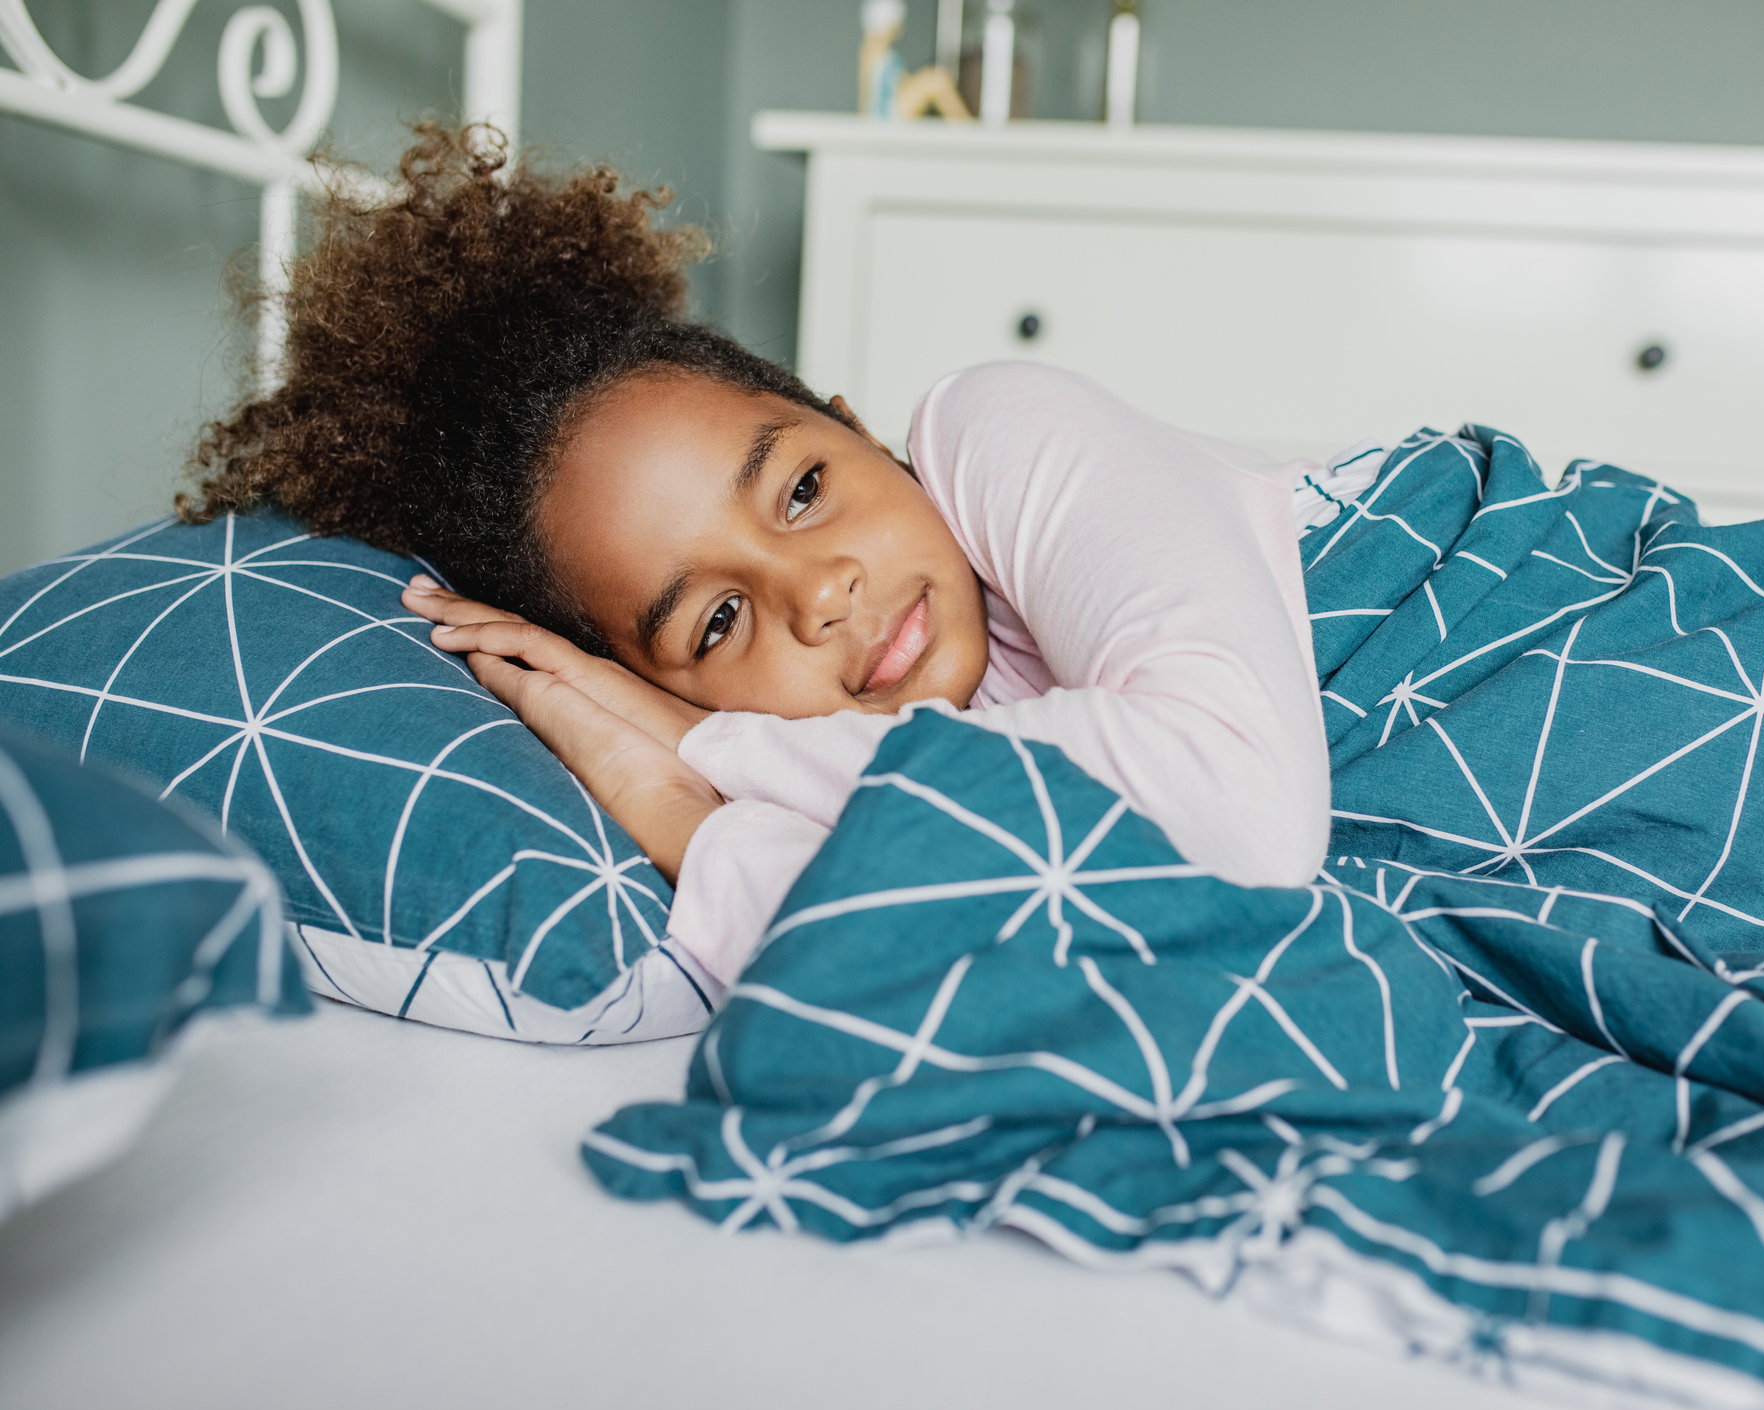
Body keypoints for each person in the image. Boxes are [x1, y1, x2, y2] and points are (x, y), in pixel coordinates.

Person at [182, 127, 1331, 1002]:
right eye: (716, 625)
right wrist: (684, 819)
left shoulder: (996, 427)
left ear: (858, 427)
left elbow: (1246, 817)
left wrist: (713, 749)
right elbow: (1039, 976)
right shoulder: (838, 792)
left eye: (802, 488)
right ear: (647, 677)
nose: (818, 591)